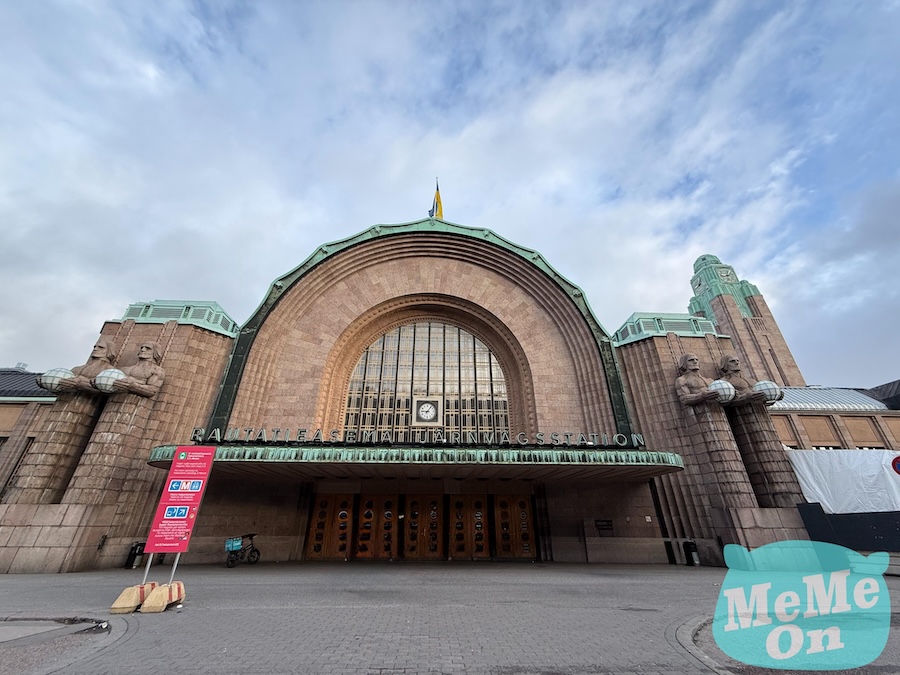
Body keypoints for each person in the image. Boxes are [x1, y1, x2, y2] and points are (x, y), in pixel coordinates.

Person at [47, 339, 118, 394]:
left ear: (110, 351)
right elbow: (59, 389)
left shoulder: (109, 371)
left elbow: (106, 391)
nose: (95, 349)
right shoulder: (76, 369)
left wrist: (81, 384)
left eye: (101, 347)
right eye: (95, 347)